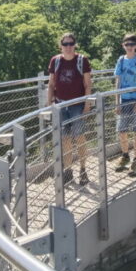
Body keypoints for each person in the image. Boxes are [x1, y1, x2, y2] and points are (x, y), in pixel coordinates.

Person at [46, 32, 93, 186]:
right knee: (65, 139)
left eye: (70, 44)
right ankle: (68, 170)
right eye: (65, 44)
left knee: (79, 137)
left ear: (75, 45)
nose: (68, 47)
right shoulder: (55, 61)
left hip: (77, 106)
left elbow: (87, 84)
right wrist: (49, 103)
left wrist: (87, 103)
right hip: (61, 106)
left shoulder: (82, 60)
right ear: (61, 46)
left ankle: (83, 169)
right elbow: (51, 84)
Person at [113, 33, 136, 175]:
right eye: (127, 44)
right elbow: (118, 82)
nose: (129, 47)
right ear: (123, 45)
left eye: (132, 44)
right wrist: (117, 102)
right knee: (121, 131)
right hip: (124, 100)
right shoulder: (121, 60)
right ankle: (125, 156)